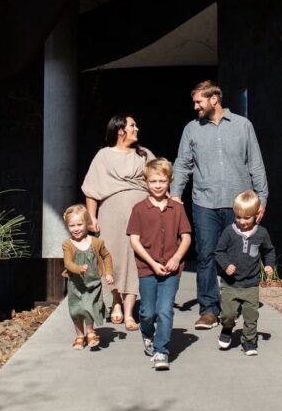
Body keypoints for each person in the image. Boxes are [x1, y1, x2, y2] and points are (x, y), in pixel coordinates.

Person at [171, 80, 269, 330]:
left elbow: (255, 164)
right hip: (204, 202)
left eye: (198, 101)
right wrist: (175, 196)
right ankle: (208, 310)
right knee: (206, 255)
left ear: (214, 99)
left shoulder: (243, 125)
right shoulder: (191, 130)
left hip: (239, 204)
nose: (195, 106)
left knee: (240, 254)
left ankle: (234, 304)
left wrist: (262, 198)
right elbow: (182, 165)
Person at [82, 114, 154, 332]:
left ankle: (130, 311)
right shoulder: (103, 155)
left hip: (141, 214)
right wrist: (92, 217)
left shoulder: (144, 154)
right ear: (120, 130)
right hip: (111, 214)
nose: (137, 128)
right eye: (132, 125)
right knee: (112, 258)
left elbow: (160, 180)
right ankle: (115, 302)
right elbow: (92, 189)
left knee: (135, 258)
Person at [127, 157, 192, 370]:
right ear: (146, 182)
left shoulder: (177, 208)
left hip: (172, 270)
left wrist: (176, 259)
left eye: (162, 181)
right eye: (153, 181)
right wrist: (153, 264)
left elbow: (186, 237)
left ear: (170, 181)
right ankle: (148, 334)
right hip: (147, 269)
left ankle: (161, 351)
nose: (157, 185)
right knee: (147, 312)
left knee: (165, 310)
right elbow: (134, 241)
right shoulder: (139, 209)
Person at [214, 190, 276, 356]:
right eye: (238, 217)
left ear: (256, 215)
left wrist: (269, 265)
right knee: (228, 314)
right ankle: (227, 329)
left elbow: (268, 251)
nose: (242, 222)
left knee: (251, 315)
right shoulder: (229, 232)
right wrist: (226, 266)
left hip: (251, 284)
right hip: (230, 283)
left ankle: (249, 341)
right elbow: (219, 252)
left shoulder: (261, 233)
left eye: (247, 218)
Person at [61, 204, 114, 350]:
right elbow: (68, 263)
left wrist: (109, 272)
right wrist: (78, 268)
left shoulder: (96, 242)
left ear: (87, 224)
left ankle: (90, 332)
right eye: (72, 225)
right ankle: (79, 335)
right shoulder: (68, 244)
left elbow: (106, 256)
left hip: (93, 283)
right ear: (67, 226)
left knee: (89, 307)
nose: (76, 228)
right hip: (75, 283)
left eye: (79, 224)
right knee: (76, 310)